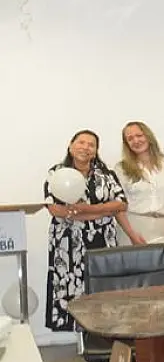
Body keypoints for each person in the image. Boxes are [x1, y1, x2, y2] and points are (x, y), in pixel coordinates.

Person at [44, 130, 127, 332]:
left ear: (96, 150)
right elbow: (54, 209)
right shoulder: (56, 173)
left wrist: (85, 210)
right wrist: (101, 212)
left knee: (102, 289)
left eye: (91, 144)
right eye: (81, 142)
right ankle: (81, 338)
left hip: (102, 240)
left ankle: (103, 334)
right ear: (71, 146)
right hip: (68, 243)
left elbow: (121, 204)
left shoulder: (105, 174)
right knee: (73, 287)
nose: (85, 147)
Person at [114, 121, 164, 275]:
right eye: (130, 138)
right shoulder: (121, 169)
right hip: (134, 227)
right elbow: (118, 206)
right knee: (136, 281)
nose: (136, 141)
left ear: (148, 136)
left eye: (139, 135)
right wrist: (131, 234)